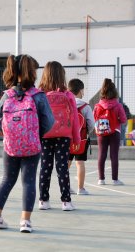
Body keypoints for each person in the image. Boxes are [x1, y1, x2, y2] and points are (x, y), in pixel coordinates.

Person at [0, 55, 54, 233]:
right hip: (32, 146)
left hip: (10, 147)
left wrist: (10, 133)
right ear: (31, 73)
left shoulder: (7, 95)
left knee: (7, 180)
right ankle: (25, 222)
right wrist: (35, 134)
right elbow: (49, 121)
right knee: (28, 182)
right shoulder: (38, 96)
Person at [38, 61, 80, 211]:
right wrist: (76, 138)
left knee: (45, 167)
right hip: (64, 135)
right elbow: (74, 118)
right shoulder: (68, 94)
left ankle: (43, 200)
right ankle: (66, 201)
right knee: (62, 167)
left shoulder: (39, 94)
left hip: (45, 134)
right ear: (62, 75)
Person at [94, 78, 127, 185]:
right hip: (114, 132)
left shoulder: (97, 106)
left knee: (101, 154)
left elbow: (95, 119)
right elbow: (123, 120)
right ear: (114, 92)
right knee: (114, 155)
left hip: (101, 133)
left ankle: (101, 179)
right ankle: (115, 179)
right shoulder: (118, 105)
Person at [67, 78, 95, 195]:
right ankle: (81, 188)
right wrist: (86, 132)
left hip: (67, 138)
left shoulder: (66, 104)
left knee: (66, 163)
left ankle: (66, 187)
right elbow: (91, 124)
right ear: (81, 91)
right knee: (80, 163)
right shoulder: (85, 107)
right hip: (81, 139)